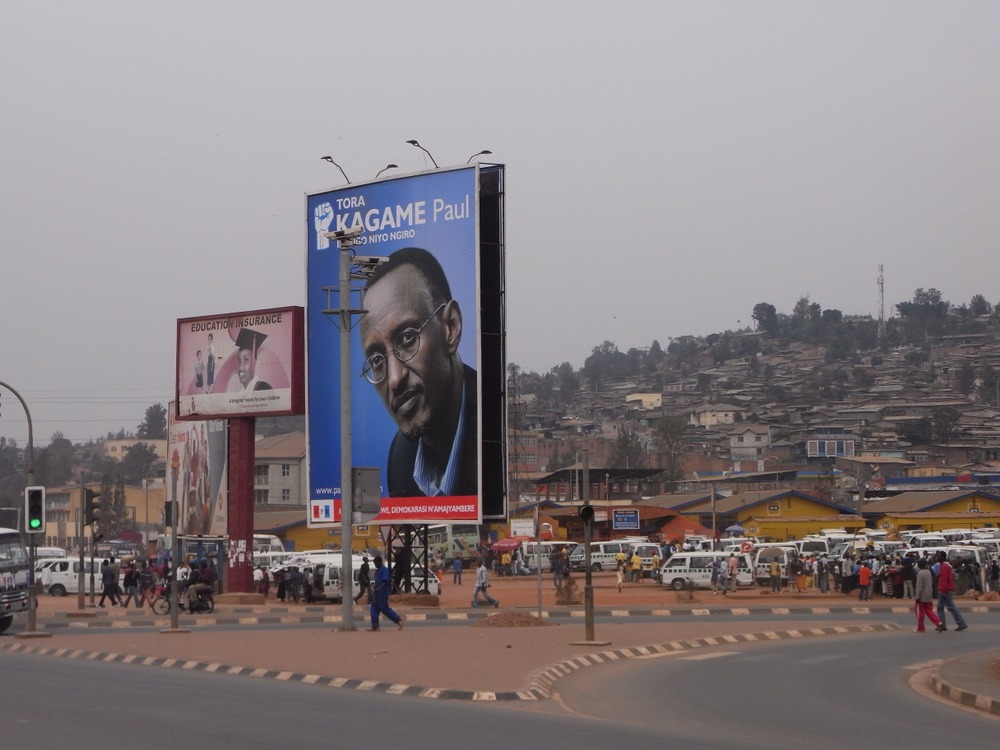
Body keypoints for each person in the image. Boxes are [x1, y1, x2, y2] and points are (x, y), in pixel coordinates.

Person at [360, 247, 477, 498]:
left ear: (451, 328)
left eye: (407, 338)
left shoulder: (495, 434)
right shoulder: (401, 459)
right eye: (377, 360)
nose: (394, 378)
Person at [934, 551, 968, 632]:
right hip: (946, 590)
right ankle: (942, 625)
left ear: (942, 557)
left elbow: (944, 580)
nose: (937, 558)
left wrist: (942, 590)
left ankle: (961, 623)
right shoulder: (945, 566)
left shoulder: (944, 567)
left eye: (938, 556)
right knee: (940, 608)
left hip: (945, 590)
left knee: (951, 607)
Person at [369, 555, 404, 630]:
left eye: (376, 563)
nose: (375, 565)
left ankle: (398, 620)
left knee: (384, 609)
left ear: (379, 562)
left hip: (382, 593)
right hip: (376, 593)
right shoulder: (378, 571)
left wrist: (379, 588)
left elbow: (385, 581)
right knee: (373, 608)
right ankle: (375, 626)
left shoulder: (385, 570)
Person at [913, 557, 942, 633]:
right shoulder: (929, 572)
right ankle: (938, 622)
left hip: (922, 597)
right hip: (929, 595)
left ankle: (921, 628)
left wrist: (917, 596)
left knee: (920, 613)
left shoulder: (920, 573)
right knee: (929, 611)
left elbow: (919, 586)